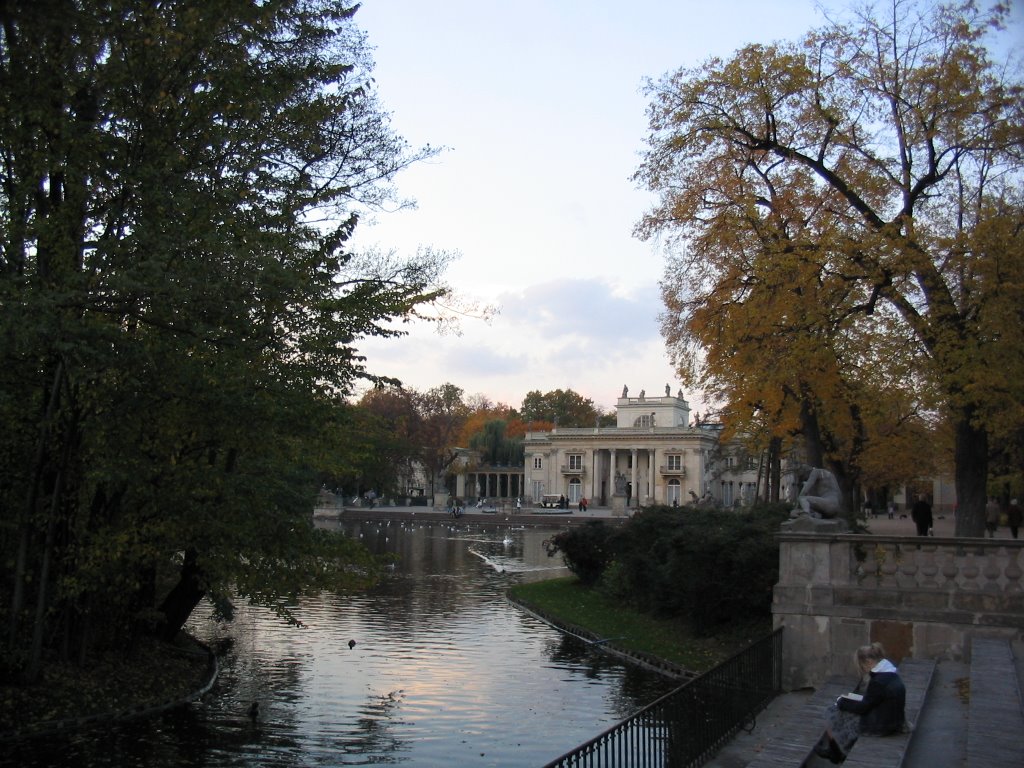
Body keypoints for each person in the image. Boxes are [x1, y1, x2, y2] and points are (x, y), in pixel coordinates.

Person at [814, 642, 906, 764]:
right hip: (894, 721)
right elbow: (873, 700)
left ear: (868, 662)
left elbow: (863, 708)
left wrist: (842, 702)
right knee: (843, 710)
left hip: (882, 726)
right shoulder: (891, 673)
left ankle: (836, 752)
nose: (863, 670)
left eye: (862, 666)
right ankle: (835, 750)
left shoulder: (878, 681)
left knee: (832, 712)